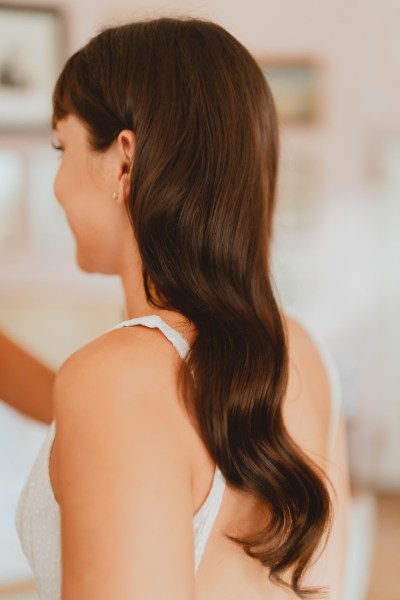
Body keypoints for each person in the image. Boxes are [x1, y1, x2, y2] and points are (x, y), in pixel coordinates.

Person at [0, 17, 350, 600]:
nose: (57, 183)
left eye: (63, 146)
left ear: (124, 161)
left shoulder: (118, 378)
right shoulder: (297, 350)